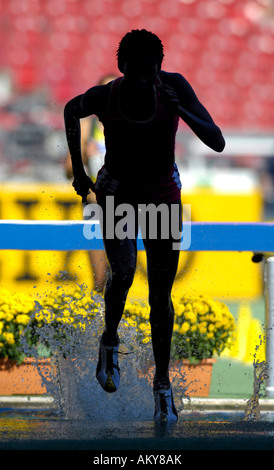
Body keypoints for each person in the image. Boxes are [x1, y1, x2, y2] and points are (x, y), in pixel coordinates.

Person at [64, 29, 225, 422]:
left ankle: (163, 386)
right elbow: (70, 109)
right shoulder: (106, 96)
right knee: (121, 273)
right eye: (136, 73)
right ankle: (109, 341)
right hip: (117, 194)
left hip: (162, 196)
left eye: (149, 73)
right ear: (122, 69)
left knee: (159, 296)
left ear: (159, 69)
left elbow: (217, 141)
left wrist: (181, 108)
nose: (142, 81)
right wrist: (80, 174)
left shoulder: (173, 87)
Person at [64, 74, 117, 293]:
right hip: (97, 205)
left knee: (122, 273)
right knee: (101, 277)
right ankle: (99, 324)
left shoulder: (133, 122)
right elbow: (69, 169)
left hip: (127, 204)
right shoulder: (89, 125)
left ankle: (117, 324)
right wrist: (83, 155)